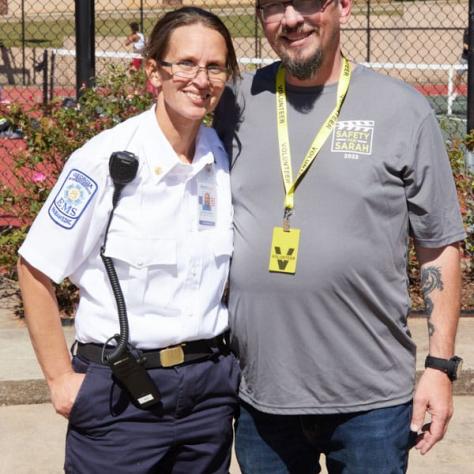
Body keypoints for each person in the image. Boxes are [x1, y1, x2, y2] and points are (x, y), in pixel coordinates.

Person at [213, 0, 465, 473]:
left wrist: (440, 367)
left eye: (307, 2)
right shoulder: (235, 104)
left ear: (343, 7)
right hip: (263, 399)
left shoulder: (402, 109)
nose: (290, 19)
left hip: (371, 403)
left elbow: (438, 244)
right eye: (273, 6)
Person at [17, 7, 240, 474]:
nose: (200, 78)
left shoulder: (222, 158)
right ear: (155, 71)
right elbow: (35, 268)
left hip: (208, 395)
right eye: (185, 63)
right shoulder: (105, 160)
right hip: (120, 397)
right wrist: (61, 381)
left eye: (214, 66)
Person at [452, 27, 469, 99]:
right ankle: (455, 92)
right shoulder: (467, 30)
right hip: (465, 58)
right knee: (458, 75)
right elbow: (465, 45)